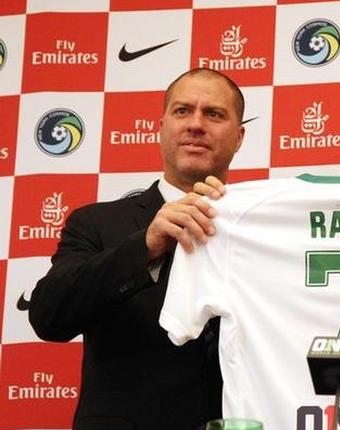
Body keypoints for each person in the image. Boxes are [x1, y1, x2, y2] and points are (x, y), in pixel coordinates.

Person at [28, 68, 245, 430]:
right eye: (182, 111)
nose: (196, 124)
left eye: (214, 114)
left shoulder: (260, 229)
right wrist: (145, 247)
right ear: (160, 128)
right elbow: (48, 316)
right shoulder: (97, 223)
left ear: (239, 137)